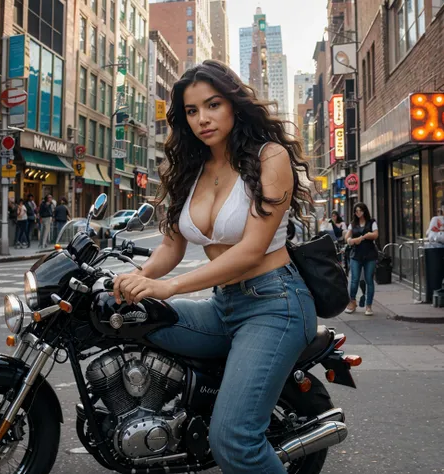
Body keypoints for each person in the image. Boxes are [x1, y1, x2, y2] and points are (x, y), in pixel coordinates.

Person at [113, 60, 317, 474]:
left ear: (233, 105)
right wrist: (139, 278)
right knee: (123, 319)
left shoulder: (269, 157)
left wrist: (170, 288)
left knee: (235, 442)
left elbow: (250, 251)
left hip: (275, 304)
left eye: (212, 105)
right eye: (191, 111)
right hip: (223, 307)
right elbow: (170, 249)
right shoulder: (188, 169)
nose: (202, 119)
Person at [344, 202, 379, 316]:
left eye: (360, 210)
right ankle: (352, 301)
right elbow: (347, 237)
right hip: (356, 255)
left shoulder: (372, 222)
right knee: (354, 279)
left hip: (369, 255)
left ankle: (369, 305)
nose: (358, 213)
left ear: (364, 211)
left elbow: (375, 235)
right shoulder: (353, 224)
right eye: (356, 211)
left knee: (369, 279)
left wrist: (363, 237)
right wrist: (351, 241)